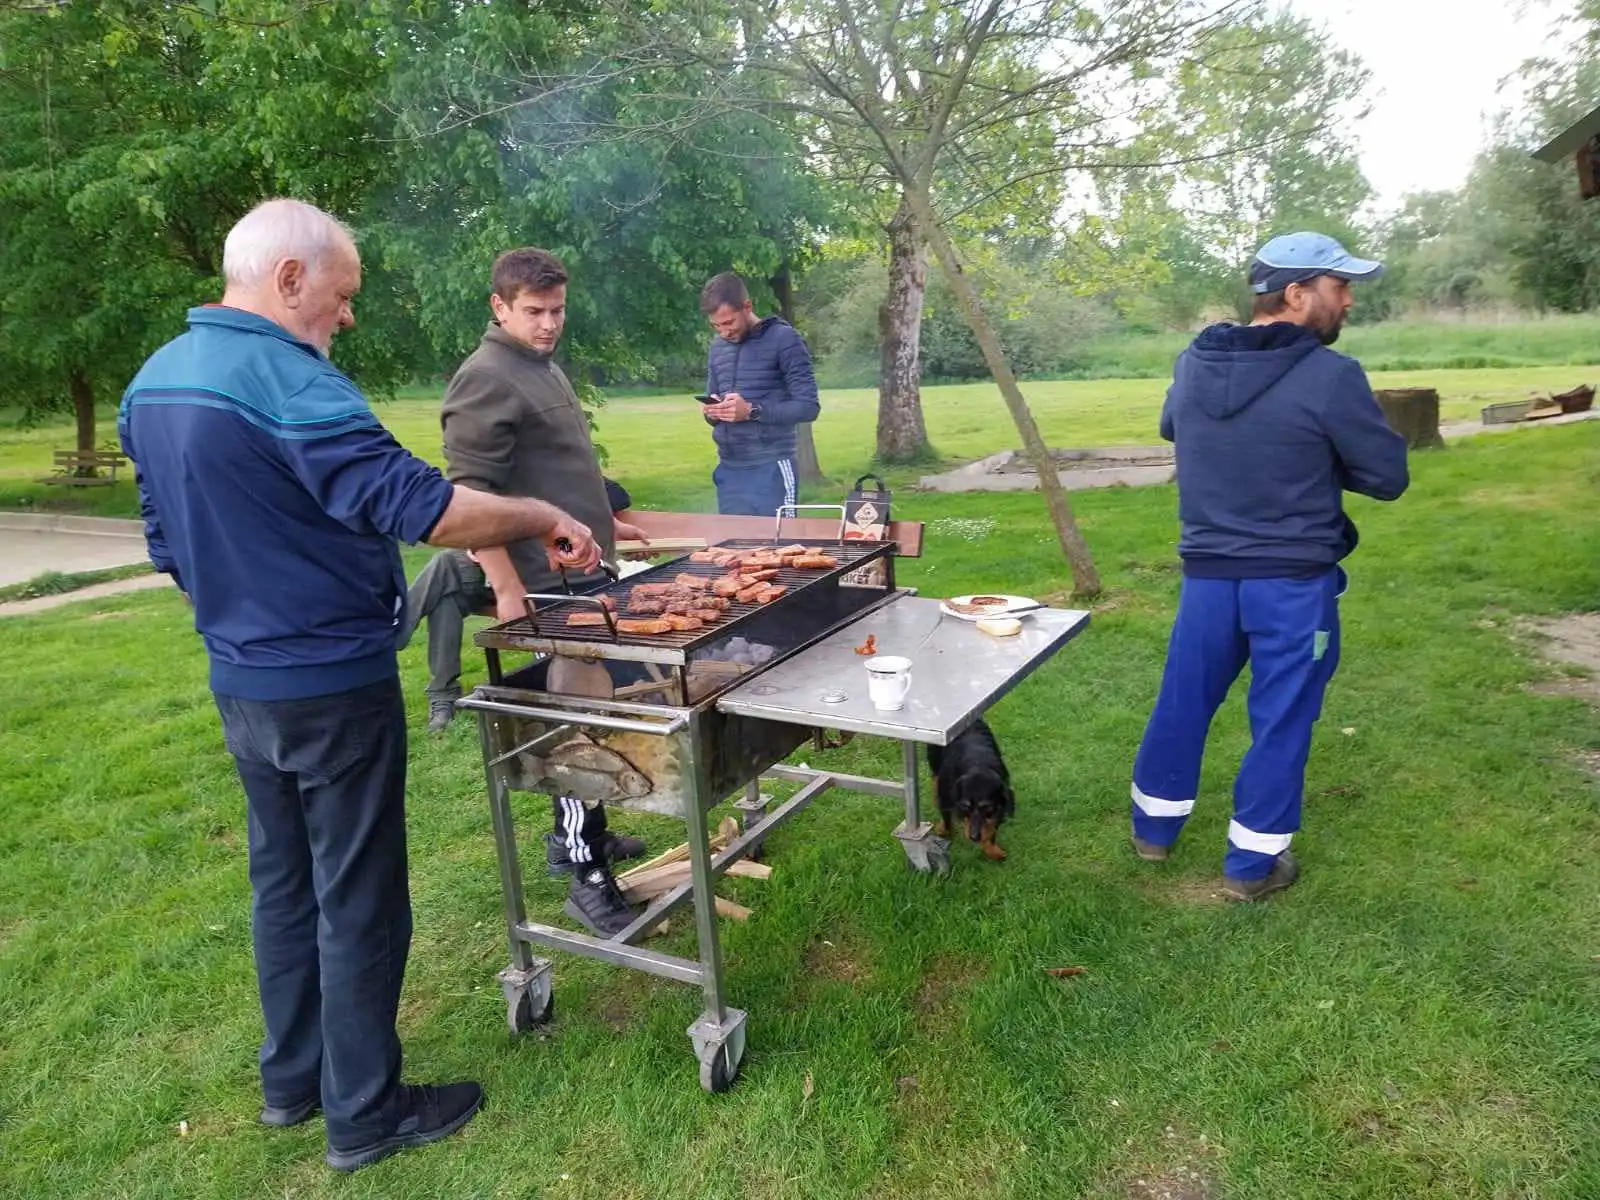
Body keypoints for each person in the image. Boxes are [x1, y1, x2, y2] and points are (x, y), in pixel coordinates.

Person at [118, 199, 605, 1173]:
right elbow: (421, 506)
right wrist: (540, 513)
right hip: (330, 683)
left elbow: (165, 542)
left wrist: (242, 610)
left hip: (242, 682)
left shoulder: (153, 381)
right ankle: (365, 1113)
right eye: (340, 298)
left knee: (283, 883)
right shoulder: (288, 381)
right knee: (358, 895)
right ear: (288, 279)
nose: (345, 318)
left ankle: (291, 1080)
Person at [1128, 232, 1410, 901]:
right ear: (1295, 293)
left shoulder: (1195, 360)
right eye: (1340, 288)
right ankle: (1253, 868)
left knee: (1183, 701)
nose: (1348, 302)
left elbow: (1176, 425)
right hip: (1291, 585)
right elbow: (1388, 475)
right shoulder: (1331, 376)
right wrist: (1313, 455)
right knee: (1281, 716)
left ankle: (1153, 833)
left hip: (1207, 579)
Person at [425, 246, 653, 937]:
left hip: (581, 572)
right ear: (499, 307)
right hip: (542, 583)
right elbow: (468, 497)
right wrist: (504, 586)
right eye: (535, 311)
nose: (550, 322)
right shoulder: (486, 378)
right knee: (581, 720)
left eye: (557, 310)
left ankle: (575, 837)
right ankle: (588, 876)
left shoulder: (537, 363)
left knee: (596, 710)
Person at [399, 476, 636, 734]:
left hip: (534, 578)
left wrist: (612, 527)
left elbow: (565, 527)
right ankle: (436, 687)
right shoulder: (506, 475)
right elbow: (478, 510)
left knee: (446, 574)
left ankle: (403, 636)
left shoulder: (551, 489)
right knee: (448, 577)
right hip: (497, 570)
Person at [698, 271, 820, 516]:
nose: (724, 332)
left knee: (779, 550)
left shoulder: (785, 339)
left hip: (772, 468)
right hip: (729, 469)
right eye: (716, 326)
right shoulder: (717, 348)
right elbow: (713, 402)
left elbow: (808, 406)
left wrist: (752, 411)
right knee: (732, 550)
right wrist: (712, 411)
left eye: (729, 322)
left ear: (747, 306)